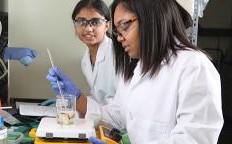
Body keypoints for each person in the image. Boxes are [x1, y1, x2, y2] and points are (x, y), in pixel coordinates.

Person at [47, 0, 223, 143]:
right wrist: (77, 98)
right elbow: (117, 116)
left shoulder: (193, 66)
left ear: (152, 17)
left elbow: (195, 139)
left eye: (125, 26)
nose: (119, 37)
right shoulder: (137, 68)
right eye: (117, 31)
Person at [45, 0, 118, 106]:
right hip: (104, 118)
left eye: (96, 22)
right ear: (75, 24)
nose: (88, 28)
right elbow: (99, 99)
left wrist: (76, 98)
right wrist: (70, 101)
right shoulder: (86, 60)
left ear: (107, 25)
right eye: (81, 22)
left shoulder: (117, 55)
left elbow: (118, 105)